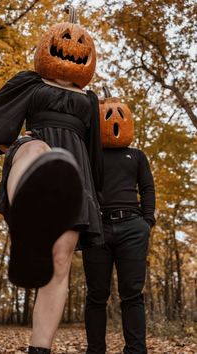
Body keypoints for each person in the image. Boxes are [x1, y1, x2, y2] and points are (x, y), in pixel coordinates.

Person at [0, 7, 103, 354]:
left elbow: (93, 154)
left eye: (80, 43)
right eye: (65, 39)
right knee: (39, 150)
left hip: (73, 177)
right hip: (32, 150)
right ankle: (28, 219)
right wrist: (16, 144)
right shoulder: (29, 83)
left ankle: (39, 349)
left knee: (60, 261)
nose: (73, 45)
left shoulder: (90, 100)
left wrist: (94, 199)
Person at [83, 89, 155, 354]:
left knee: (132, 295)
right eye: (106, 115)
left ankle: (136, 351)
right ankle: (95, 351)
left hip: (132, 228)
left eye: (119, 114)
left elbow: (147, 188)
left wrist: (147, 222)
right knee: (96, 296)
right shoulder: (90, 155)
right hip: (97, 229)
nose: (113, 119)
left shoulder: (136, 156)